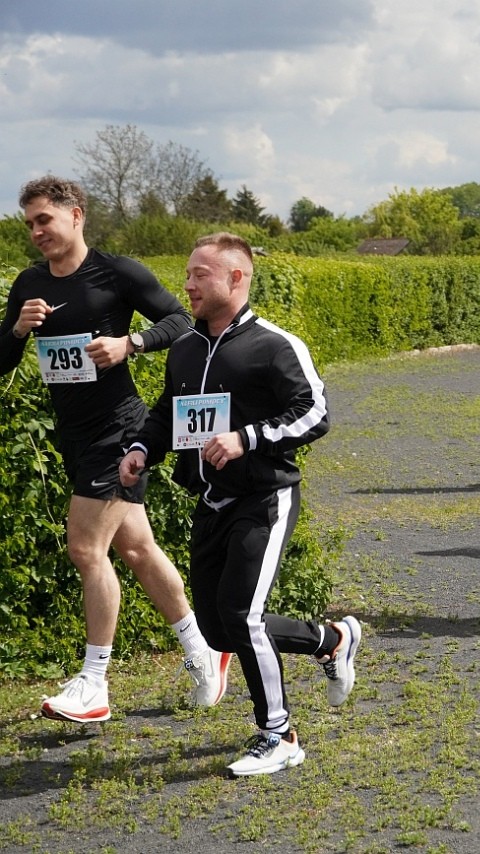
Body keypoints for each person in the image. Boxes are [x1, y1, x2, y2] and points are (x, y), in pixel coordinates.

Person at [119, 232, 360, 777]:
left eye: (199, 275)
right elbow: (168, 412)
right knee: (218, 629)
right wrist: (141, 449)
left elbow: (314, 412)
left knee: (244, 615)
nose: (187, 284)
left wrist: (246, 438)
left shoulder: (275, 345)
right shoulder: (184, 346)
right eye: (187, 273)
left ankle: (279, 734)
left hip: (265, 497)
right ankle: (332, 639)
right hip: (210, 502)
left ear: (236, 279)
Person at [0, 175, 228, 724]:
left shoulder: (117, 272)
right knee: (138, 550)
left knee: (85, 549)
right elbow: (0, 362)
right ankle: (203, 651)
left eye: (44, 219)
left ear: (75, 215)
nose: (36, 232)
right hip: (74, 436)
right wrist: (18, 330)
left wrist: (131, 343)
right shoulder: (29, 283)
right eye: (29, 223)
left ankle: (94, 683)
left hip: (120, 430)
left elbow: (181, 319)